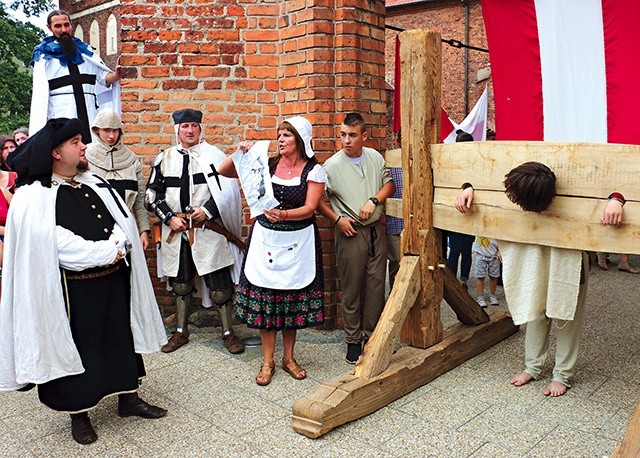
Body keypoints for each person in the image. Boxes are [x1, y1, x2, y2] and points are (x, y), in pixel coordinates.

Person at [0, 118, 168, 445]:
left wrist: (119, 244)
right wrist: (111, 250)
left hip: (113, 284)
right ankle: (79, 413)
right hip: (71, 293)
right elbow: (61, 247)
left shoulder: (94, 182)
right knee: (79, 350)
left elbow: (122, 220)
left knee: (121, 341)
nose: (84, 147)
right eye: (76, 142)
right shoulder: (33, 198)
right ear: (55, 153)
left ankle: (128, 398)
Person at [455, 161, 624, 397]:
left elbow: (616, 181)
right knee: (535, 310)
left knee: (566, 316)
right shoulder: (520, 189)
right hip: (532, 254)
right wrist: (469, 187)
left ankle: (562, 375)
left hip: (569, 259)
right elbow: (480, 176)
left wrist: (616, 198)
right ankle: (533, 366)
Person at [218, 116, 325, 386]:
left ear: (300, 140)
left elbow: (311, 207)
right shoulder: (267, 165)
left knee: (290, 300)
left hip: (298, 242)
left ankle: (289, 358)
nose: (280, 140)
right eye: (279, 135)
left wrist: (285, 214)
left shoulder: (313, 170)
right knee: (268, 300)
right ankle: (268, 361)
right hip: (265, 239)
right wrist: (239, 153)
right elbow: (225, 170)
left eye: (287, 136)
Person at [145, 108, 245, 354]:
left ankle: (228, 333)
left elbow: (227, 192)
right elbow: (151, 195)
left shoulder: (214, 156)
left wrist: (208, 211)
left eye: (194, 126)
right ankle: (180, 332)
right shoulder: (164, 158)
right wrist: (169, 218)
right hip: (177, 232)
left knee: (220, 286)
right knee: (181, 285)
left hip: (206, 230)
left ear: (200, 128)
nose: (189, 130)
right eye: (184, 126)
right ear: (176, 129)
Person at [318, 112, 395, 364]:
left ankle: (372, 337)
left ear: (364, 135)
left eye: (352, 135)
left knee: (375, 286)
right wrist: (337, 219)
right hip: (351, 232)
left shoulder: (374, 157)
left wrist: (375, 200)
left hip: (376, 230)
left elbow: (389, 184)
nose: (346, 140)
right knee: (351, 288)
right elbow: (318, 199)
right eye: (343, 135)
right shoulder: (331, 166)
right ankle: (352, 340)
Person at [29, 10, 121, 145]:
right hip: (62, 114)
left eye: (66, 25)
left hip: (90, 114)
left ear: (71, 25)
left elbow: (102, 78)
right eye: (58, 26)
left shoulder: (86, 52)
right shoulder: (43, 58)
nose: (64, 30)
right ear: (49, 28)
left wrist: (117, 75)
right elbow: (40, 97)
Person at [86, 109, 150, 249]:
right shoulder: (85, 156)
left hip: (127, 225)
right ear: (97, 130)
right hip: (94, 225)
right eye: (106, 130)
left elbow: (139, 201)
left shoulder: (132, 160)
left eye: (115, 130)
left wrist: (143, 231)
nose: (111, 135)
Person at [447, 129, 475, 289]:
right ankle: (452, 281)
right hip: (456, 213)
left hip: (470, 212)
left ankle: (463, 280)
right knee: (456, 249)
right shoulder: (453, 164)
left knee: (466, 250)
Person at [386, 166, 403, 292]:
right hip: (393, 223)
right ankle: (395, 294)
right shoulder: (388, 166)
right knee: (398, 261)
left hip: (414, 222)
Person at [472, 236, 501, 307]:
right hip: (481, 255)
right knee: (480, 277)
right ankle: (480, 297)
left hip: (494, 256)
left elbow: (503, 241)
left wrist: (500, 251)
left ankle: (492, 295)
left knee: (494, 276)